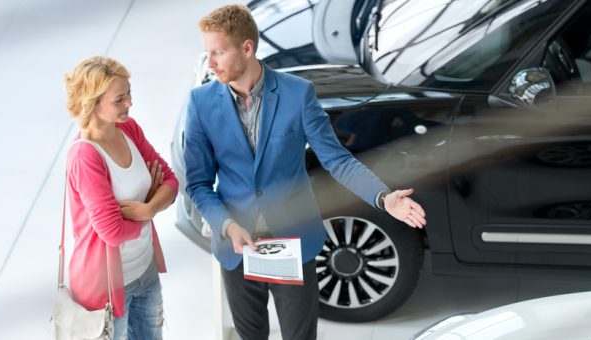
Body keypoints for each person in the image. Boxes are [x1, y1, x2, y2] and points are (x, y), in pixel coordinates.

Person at [183, 5, 427, 340]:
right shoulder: (199, 103)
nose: (210, 63)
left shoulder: (297, 94)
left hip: (293, 241)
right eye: (207, 53)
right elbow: (198, 183)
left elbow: (337, 160)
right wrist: (225, 225)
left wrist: (383, 198)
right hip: (237, 246)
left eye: (218, 53)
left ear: (246, 48)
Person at [64, 56, 178, 340]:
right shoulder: (85, 156)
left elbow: (172, 181)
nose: (129, 103)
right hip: (104, 286)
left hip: (145, 269)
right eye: (119, 99)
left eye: (129, 94)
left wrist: (149, 206)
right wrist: (147, 211)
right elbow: (111, 232)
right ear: (93, 103)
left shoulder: (128, 128)